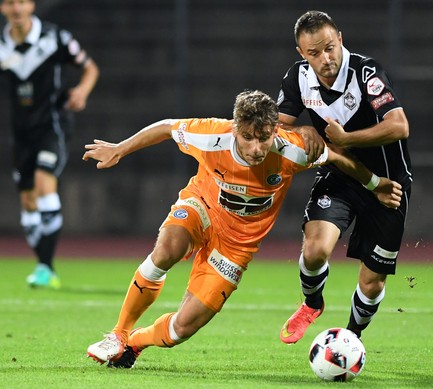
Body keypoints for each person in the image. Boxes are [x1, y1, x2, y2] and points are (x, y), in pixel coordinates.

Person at [83, 90, 402, 368]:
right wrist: (119, 149)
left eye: (263, 137)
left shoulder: (291, 149)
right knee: (167, 250)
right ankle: (118, 333)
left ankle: (135, 342)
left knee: (182, 328)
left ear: (273, 130)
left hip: (236, 246)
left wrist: (376, 185)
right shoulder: (212, 136)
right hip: (202, 209)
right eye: (248, 137)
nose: (255, 147)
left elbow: (336, 156)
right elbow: (167, 127)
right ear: (236, 129)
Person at [277, 10, 413, 344]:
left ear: (340, 38)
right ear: (302, 54)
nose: (325, 59)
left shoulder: (366, 72)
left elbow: (399, 126)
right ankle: (312, 303)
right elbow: (278, 125)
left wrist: (347, 138)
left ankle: (350, 339)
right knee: (314, 250)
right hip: (339, 176)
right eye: (314, 53)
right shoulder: (297, 78)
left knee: (372, 282)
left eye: (329, 48)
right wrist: (304, 130)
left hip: (388, 185)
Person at [0, 0, 99, 289]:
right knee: (28, 202)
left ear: (30, 5)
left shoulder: (56, 38)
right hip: (21, 133)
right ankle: (44, 264)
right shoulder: (2, 46)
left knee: (45, 184)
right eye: (8, 3)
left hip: (52, 126)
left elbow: (90, 68)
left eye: (21, 2)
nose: (15, 8)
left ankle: (45, 266)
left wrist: (81, 91)